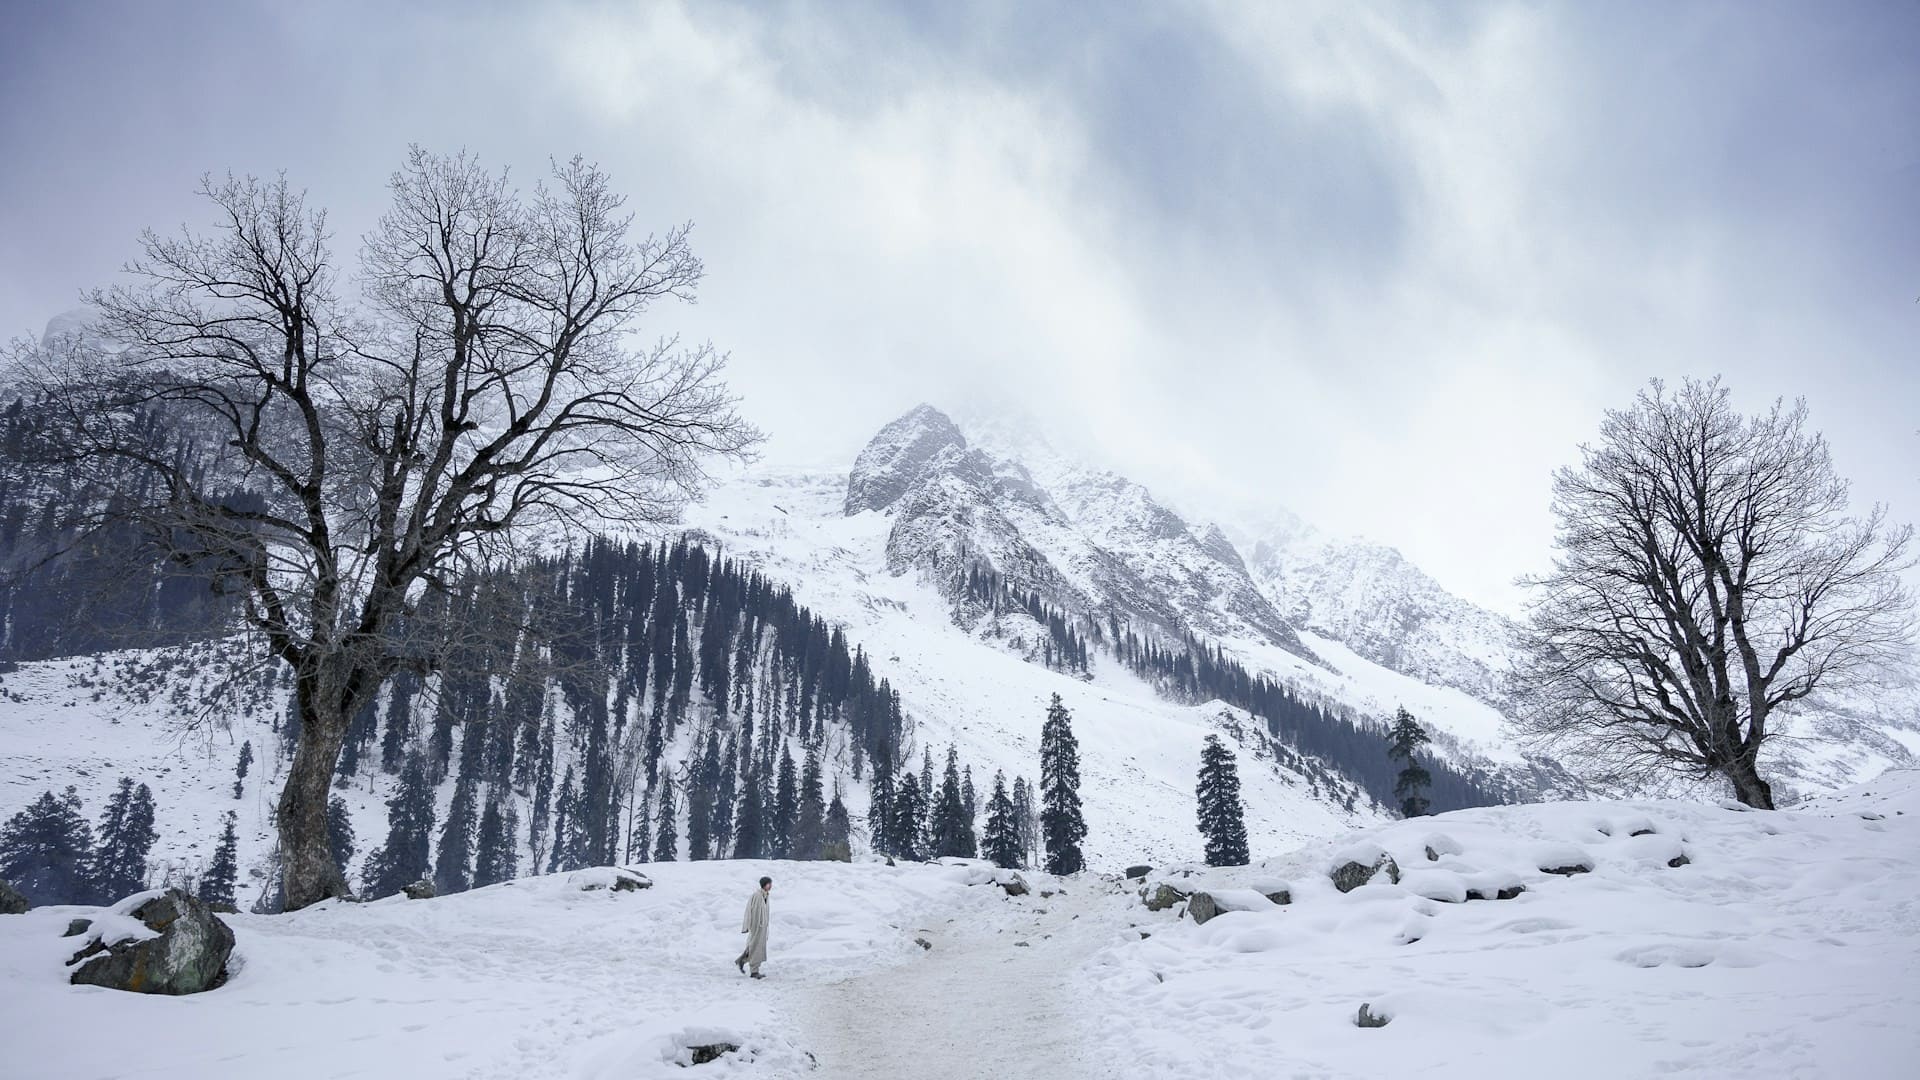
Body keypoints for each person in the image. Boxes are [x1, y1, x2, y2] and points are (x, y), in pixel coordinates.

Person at [735, 876, 772, 978]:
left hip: (763, 927)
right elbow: (752, 911)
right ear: (764, 884)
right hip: (757, 926)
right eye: (769, 883)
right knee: (755, 946)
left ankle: (742, 960)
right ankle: (754, 971)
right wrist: (753, 926)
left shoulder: (766, 896)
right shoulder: (757, 895)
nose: (771, 886)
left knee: (756, 946)